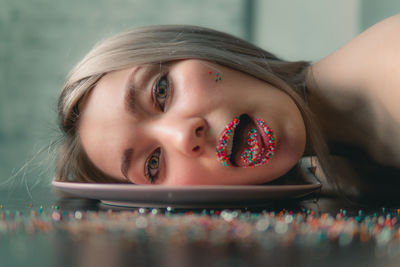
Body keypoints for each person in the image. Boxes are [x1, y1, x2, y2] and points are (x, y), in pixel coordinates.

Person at [56, 15, 400, 199]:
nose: (182, 135)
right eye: (153, 164)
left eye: (161, 90)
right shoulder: (336, 178)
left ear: (207, 50)